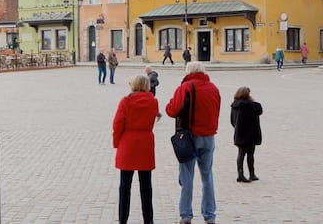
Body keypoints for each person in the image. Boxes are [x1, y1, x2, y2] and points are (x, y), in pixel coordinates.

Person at [165, 61, 221, 224]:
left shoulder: (186, 87)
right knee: (207, 176)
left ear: (188, 72)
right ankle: (210, 215)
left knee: (187, 176)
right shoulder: (213, 88)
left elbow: (172, 110)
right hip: (209, 136)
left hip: (190, 137)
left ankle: (186, 215)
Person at [112, 74, 160, 224]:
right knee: (146, 186)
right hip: (145, 143)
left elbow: (118, 124)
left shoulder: (126, 101)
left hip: (128, 143)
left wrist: (116, 142)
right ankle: (148, 219)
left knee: (125, 186)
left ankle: (123, 219)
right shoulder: (153, 102)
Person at [229, 86, 263, 183]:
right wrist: (253, 101)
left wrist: (237, 127)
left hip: (239, 133)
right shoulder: (250, 105)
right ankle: (251, 174)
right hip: (250, 134)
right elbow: (259, 109)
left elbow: (232, 120)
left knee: (241, 153)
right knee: (250, 154)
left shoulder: (234, 105)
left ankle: (240, 174)